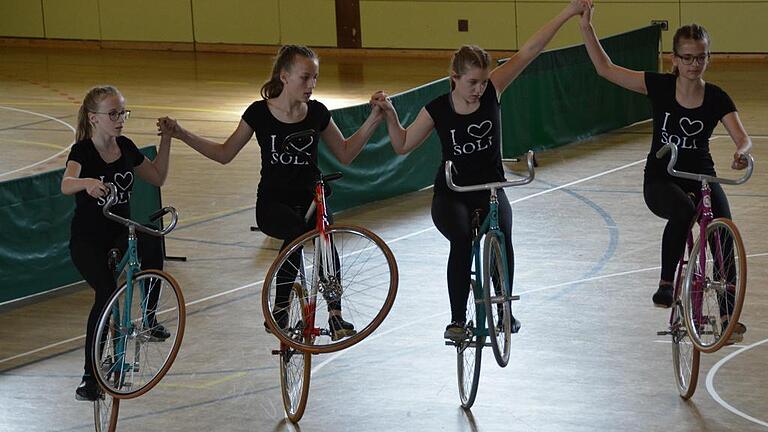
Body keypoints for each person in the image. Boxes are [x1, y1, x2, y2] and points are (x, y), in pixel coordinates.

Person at [372, 0, 590, 340]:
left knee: (503, 234)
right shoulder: (437, 109)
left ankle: (505, 308)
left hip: (490, 190)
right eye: (472, 82)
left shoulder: (493, 91)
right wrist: (389, 116)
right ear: (454, 78)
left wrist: (567, 12)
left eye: (483, 82)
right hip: (452, 194)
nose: (478, 89)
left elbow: (531, 50)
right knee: (461, 241)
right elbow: (401, 144)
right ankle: (457, 321)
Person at [158, 45, 384, 341]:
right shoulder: (258, 113)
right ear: (285, 76)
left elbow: (344, 152)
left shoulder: (317, 112)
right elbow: (224, 153)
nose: (311, 85)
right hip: (273, 203)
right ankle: (279, 310)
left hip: (310, 198)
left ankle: (335, 314)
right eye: (305, 78)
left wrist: (374, 119)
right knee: (295, 235)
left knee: (324, 235)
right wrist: (181, 133)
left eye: (315, 78)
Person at [579, 7, 752, 341]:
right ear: (674, 59)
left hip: (702, 177)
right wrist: (587, 28)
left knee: (724, 234)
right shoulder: (659, 86)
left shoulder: (716, 96)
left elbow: (741, 138)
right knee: (684, 211)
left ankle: (728, 317)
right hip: (662, 177)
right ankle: (666, 284)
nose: (693, 65)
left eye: (700, 58)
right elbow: (605, 69)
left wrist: (741, 154)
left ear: (708, 58)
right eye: (686, 58)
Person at [62, 85, 172, 401]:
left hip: (119, 232)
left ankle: (149, 320)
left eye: (122, 112)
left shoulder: (125, 146)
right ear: (94, 118)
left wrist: (167, 139)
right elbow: (66, 184)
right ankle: (89, 378)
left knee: (152, 244)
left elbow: (157, 176)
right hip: (88, 241)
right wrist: (87, 183)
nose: (120, 119)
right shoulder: (82, 151)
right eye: (113, 113)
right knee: (107, 295)